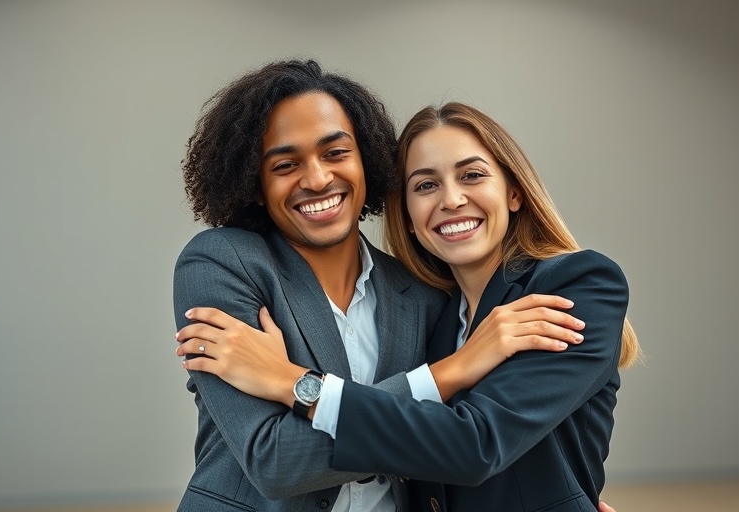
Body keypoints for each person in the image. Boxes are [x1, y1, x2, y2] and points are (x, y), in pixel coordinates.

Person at [173, 59, 593, 512]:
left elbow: (455, 442)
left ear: (367, 163)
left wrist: (570, 494)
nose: (316, 179)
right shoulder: (222, 263)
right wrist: (450, 372)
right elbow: (275, 460)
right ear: (255, 185)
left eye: (335, 153)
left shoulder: (426, 294)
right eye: (285, 164)